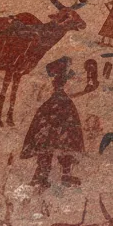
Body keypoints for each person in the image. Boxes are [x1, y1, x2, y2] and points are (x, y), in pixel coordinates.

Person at [20, 57, 85, 189]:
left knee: (59, 145)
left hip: (57, 115)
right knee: (57, 145)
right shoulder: (60, 104)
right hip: (57, 115)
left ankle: (49, 175)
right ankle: (49, 175)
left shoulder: (56, 103)